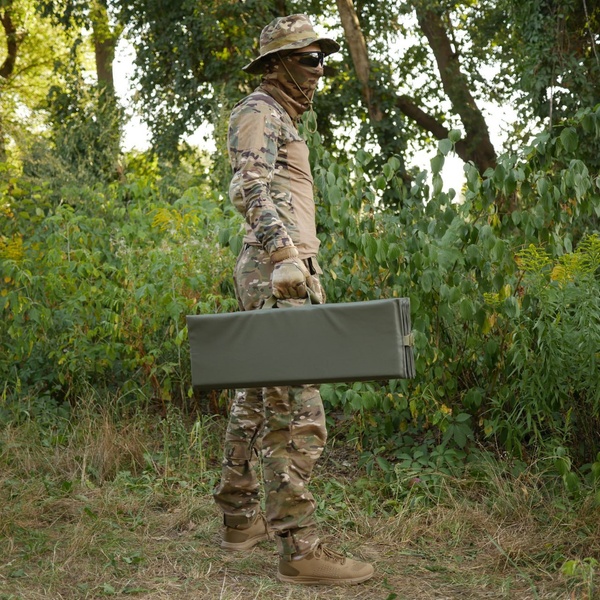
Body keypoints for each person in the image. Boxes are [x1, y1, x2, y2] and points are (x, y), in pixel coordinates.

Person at [212, 14, 374, 586]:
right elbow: (246, 184)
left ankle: (239, 516)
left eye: (322, 58)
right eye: (307, 58)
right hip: (278, 269)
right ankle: (301, 550)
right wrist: (285, 255)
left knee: (258, 395)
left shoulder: (278, 115)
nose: (319, 68)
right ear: (277, 64)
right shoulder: (258, 110)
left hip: (282, 267)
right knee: (297, 413)